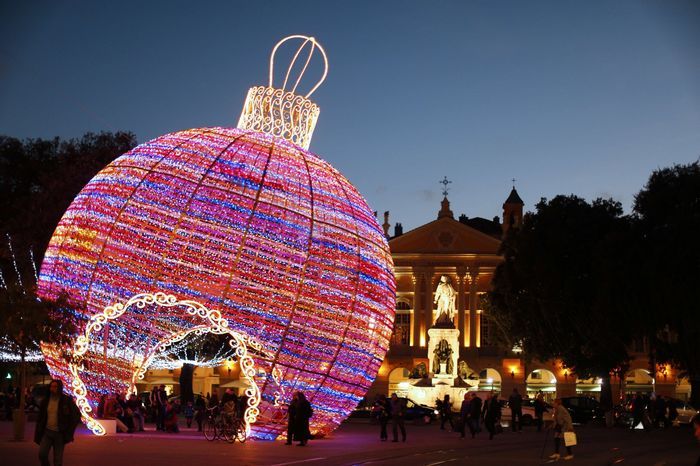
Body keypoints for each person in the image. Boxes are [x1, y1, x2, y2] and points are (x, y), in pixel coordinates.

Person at [35, 379, 81, 466]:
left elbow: (76, 415)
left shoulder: (66, 400)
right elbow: (41, 417)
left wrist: (69, 429)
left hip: (60, 434)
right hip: (47, 432)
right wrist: (39, 430)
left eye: (55, 387)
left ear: (59, 388)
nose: (52, 389)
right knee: (42, 454)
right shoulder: (46, 401)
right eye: (51, 386)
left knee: (58, 460)